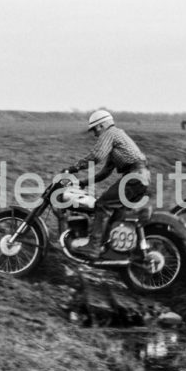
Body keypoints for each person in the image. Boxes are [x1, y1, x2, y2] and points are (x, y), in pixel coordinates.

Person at [63, 109, 150, 259]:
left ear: (103, 125)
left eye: (95, 129)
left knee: (102, 205)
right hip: (141, 177)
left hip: (134, 176)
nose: (95, 134)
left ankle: (94, 247)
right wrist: (84, 182)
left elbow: (96, 156)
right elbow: (105, 172)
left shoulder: (111, 133)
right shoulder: (117, 139)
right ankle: (111, 249)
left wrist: (73, 168)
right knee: (117, 213)